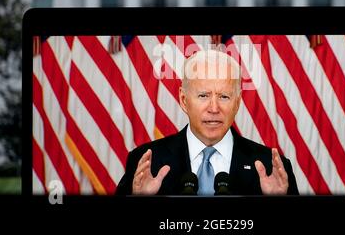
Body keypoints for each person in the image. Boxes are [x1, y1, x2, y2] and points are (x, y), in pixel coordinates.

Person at [116, 49, 298, 195]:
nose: (213, 108)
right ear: (184, 100)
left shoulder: (271, 167)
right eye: (203, 95)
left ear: (237, 102)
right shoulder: (146, 162)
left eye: (224, 96)